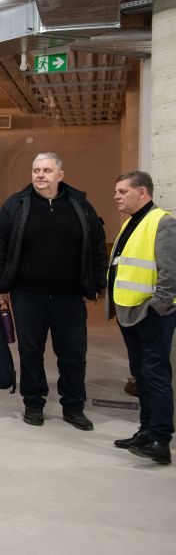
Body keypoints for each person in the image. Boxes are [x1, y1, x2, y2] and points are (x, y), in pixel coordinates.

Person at [0, 152, 107, 430]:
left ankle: (73, 407)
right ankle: (33, 403)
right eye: (36, 170)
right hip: (28, 296)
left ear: (60, 175)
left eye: (47, 170)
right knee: (30, 353)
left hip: (70, 297)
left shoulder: (79, 205)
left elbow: (97, 245)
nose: (40, 175)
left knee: (73, 355)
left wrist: (97, 283)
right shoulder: (16, 204)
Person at [108, 170, 176, 464]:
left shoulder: (163, 222)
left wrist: (157, 308)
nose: (116, 196)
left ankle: (161, 440)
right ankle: (146, 431)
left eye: (123, 191)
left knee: (156, 376)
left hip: (152, 315)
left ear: (143, 192)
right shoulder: (130, 222)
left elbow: (170, 272)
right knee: (142, 375)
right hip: (129, 312)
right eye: (117, 191)